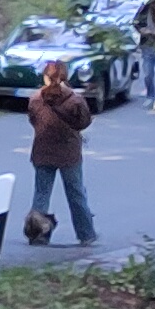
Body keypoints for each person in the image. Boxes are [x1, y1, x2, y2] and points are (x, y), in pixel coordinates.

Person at [25, 58, 97, 247]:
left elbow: (33, 120)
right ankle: (86, 234)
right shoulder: (75, 101)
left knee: (41, 193)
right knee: (76, 193)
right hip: (69, 153)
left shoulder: (35, 99)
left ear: (45, 77)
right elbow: (84, 122)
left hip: (43, 151)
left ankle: (37, 234)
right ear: (66, 76)